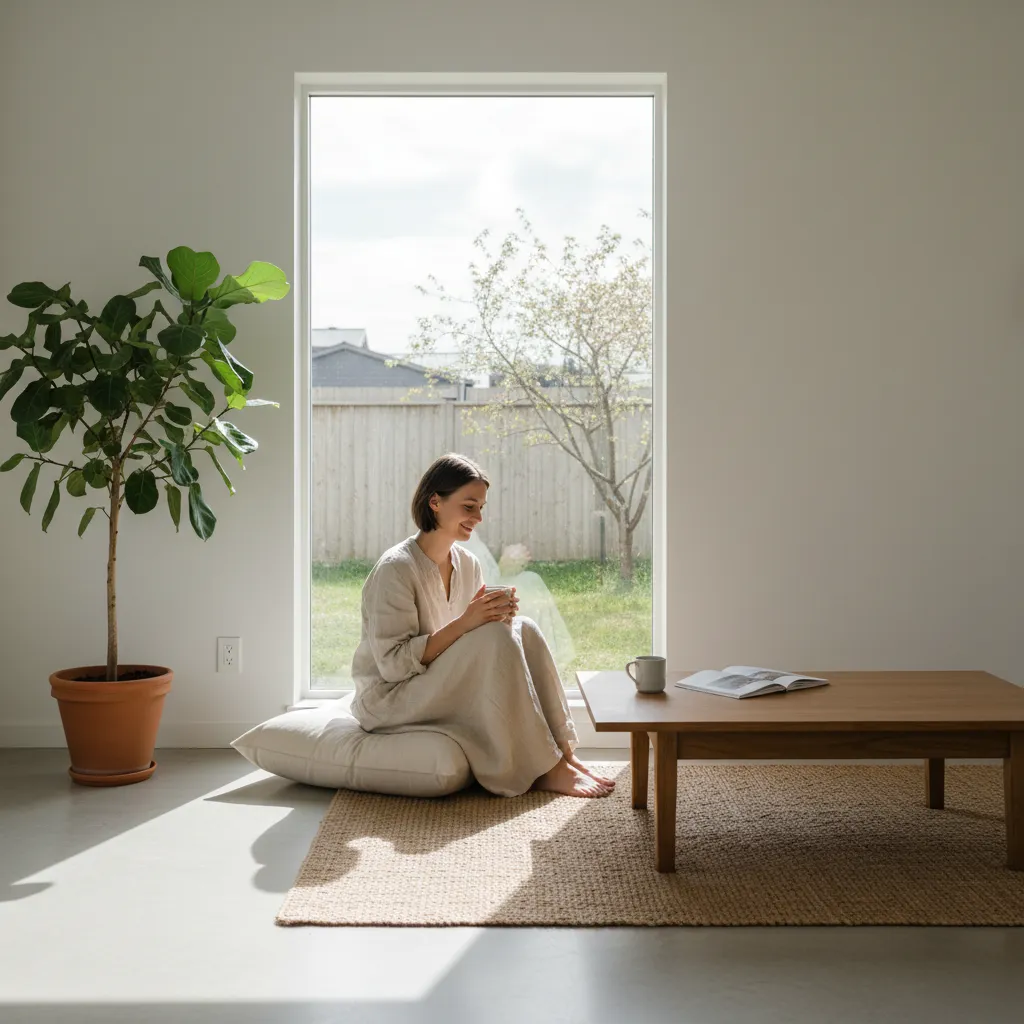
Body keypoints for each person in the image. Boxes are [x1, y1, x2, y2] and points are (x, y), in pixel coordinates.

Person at [350, 452, 615, 798]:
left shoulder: (467, 563)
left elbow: (473, 642)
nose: (478, 517)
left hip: (432, 681)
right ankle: (546, 770)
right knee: (494, 635)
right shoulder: (395, 570)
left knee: (525, 628)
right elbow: (394, 665)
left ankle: (563, 753)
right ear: (435, 503)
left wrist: (497, 617)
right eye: (469, 506)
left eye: (481, 508)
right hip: (390, 697)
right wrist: (469, 622)